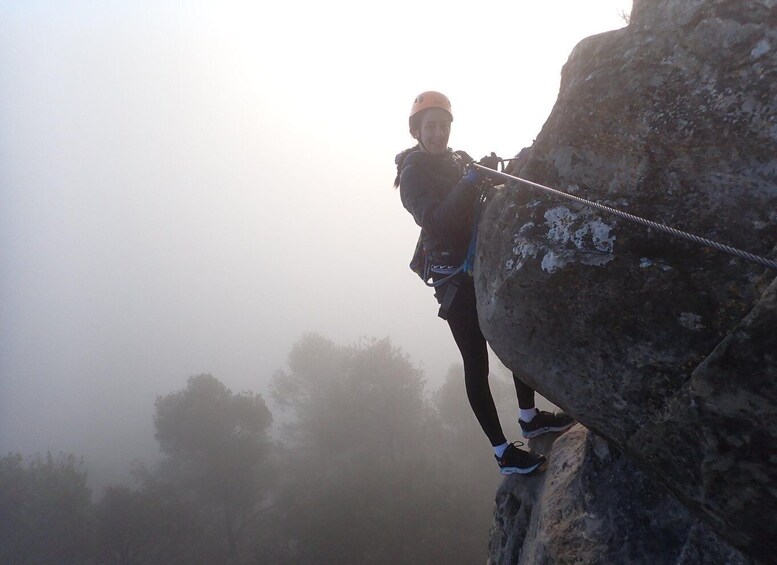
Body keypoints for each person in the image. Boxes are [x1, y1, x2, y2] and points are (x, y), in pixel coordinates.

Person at [394, 91, 574, 475]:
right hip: (454, 279)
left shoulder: (457, 161)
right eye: (431, 126)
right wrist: (472, 179)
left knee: (510, 334)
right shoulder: (412, 173)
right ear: (417, 131)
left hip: (480, 263)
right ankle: (502, 452)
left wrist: (483, 174)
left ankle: (529, 418)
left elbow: (469, 200)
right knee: (475, 362)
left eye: (443, 125)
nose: (439, 132)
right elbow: (436, 219)